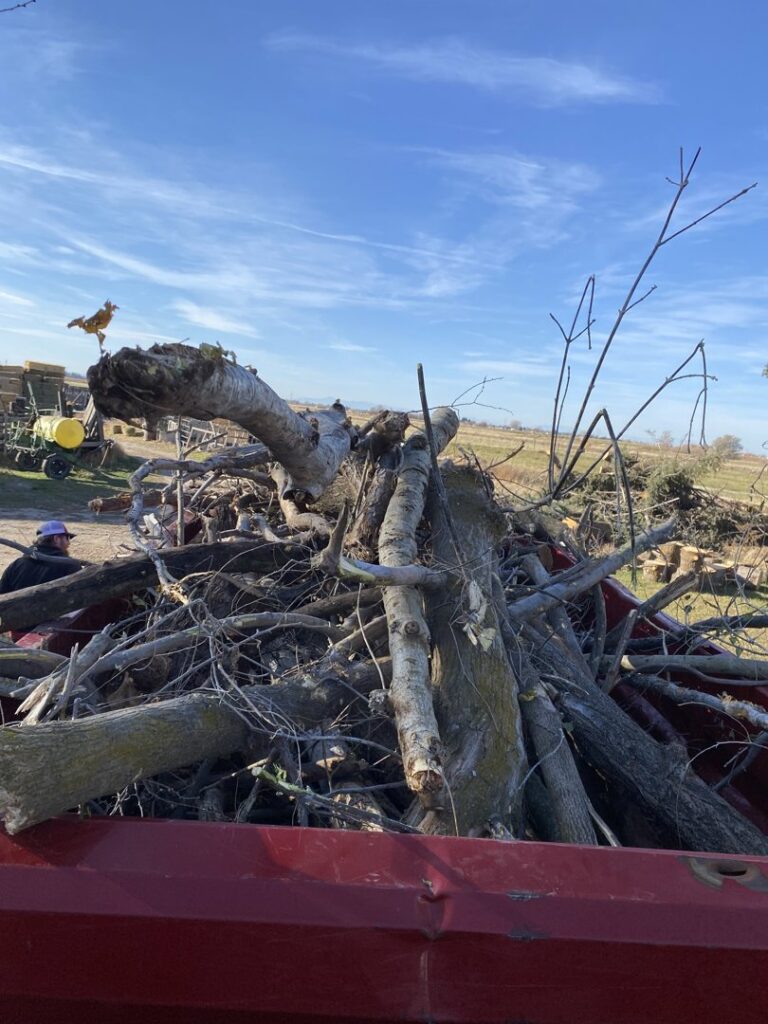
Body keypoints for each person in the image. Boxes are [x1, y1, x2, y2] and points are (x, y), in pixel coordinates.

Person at [0, 521, 81, 594]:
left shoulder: (16, 565)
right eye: (67, 538)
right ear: (56, 539)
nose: (69, 543)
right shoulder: (70, 565)